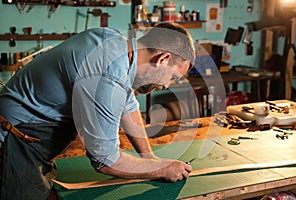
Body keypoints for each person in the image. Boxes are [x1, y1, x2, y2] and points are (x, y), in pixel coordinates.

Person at [0, 22, 195, 199]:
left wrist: (150, 158)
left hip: (32, 133)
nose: (167, 85)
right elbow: (106, 160)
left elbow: (128, 105)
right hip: (15, 138)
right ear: (163, 58)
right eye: (173, 77)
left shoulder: (116, 43)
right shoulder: (107, 71)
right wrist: (161, 170)